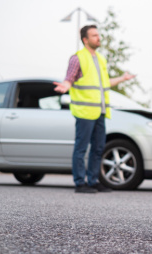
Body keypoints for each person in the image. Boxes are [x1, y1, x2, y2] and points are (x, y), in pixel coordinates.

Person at [54, 25, 135, 193]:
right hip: (84, 112)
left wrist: (123, 78)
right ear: (85, 39)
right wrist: (65, 85)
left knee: (98, 148)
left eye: (98, 35)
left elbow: (105, 83)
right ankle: (79, 182)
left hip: (100, 111)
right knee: (81, 147)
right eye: (94, 35)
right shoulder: (77, 58)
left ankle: (93, 181)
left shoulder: (100, 59)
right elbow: (69, 78)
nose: (99, 38)